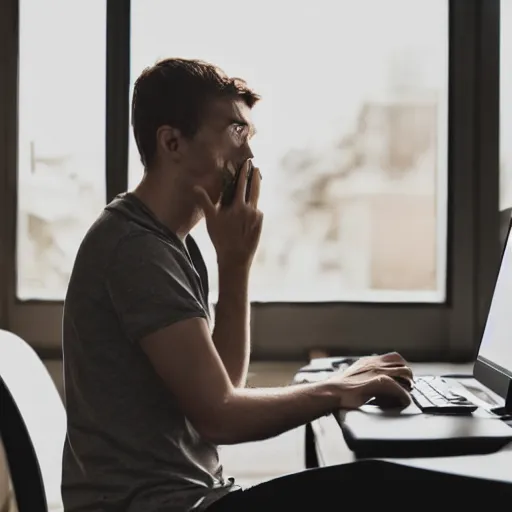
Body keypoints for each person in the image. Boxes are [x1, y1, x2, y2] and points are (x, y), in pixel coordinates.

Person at [61, 58, 414, 512]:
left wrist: (234, 263)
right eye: (235, 133)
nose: (248, 157)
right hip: (158, 505)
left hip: (191, 498)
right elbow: (220, 417)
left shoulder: (172, 245)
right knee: (383, 489)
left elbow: (223, 384)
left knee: (374, 484)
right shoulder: (134, 248)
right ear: (172, 142)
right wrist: (338, 389)